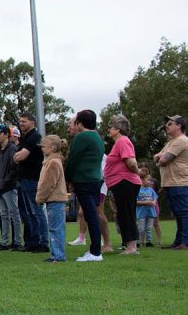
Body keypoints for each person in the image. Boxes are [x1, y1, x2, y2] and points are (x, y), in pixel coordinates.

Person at [64, 110, 109, 262]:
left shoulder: (82, 137)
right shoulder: (97, 137)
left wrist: (67, 178)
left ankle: (95, 252)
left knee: (91, 216)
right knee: (93, 214)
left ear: (80, 123)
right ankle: (95, 249)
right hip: (96, 179)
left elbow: (73, 159)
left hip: (84, 181)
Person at [104, 115, 142, 256]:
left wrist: (138, 173)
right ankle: (129, 245)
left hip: (126, 182)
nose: (108, 129)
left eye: (111, 126)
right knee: (123, 213)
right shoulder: (118, 143)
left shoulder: (123, 141)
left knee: (126, 213)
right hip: (120, 184)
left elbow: (131, 162)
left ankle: (132, 247)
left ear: (118, 129)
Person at [14, 113, 48, 253]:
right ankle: (33, 241)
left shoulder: (34, 137)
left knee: (37, 210)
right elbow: (16, 156)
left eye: (24, 121)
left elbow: (21, 156)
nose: (21, 123)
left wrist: (18, 157)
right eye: (20, 121)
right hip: (25, 178)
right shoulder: (25, 138)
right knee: (30, 212)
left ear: (32, 123)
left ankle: (43, 242)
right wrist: (17, 157)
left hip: (32, 178)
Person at [154, 115, 188, 250]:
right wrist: (160, 157)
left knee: (184, 212)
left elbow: (163, 160)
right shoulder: (170, 142)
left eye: (170, 123)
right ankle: (179, 241)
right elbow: (156, 157)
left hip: (180, 182)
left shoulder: (180, 141)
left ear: (179, 126)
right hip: (171, 183)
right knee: (178, 213)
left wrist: (160, 157)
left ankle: (185, 242)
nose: (167, 126)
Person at [36, 135, 69, 263]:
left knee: (56, 229)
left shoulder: (53, 162)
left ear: (53, 147)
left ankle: (59, 255)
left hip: (55, 200)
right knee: (56, 228)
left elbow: (48, 183)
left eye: (44, 146)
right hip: (54, 200)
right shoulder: (53, 161)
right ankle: (57, 254)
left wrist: (40, 197)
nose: (42, 149)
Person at [0, 124, 21, 250]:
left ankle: (17, 241)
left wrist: (5, 181)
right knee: (3, 215)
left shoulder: (13, 149)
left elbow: (14, 169)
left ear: (6, 134)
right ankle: (4, 241)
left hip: (9, 187)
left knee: (14, 213)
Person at [136, 178, 158, 247]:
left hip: (151, 212)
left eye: (150, 180)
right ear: (142, 180)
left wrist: (154, 202)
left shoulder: (151, 190)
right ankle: (138, 242)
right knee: (141, 228)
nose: (150, 182)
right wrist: (145, 202)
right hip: (141, 212)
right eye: (148, 180)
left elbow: (155, 197)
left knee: (149, 228)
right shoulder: (138, 190)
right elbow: (135, 201)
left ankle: (149, 242)